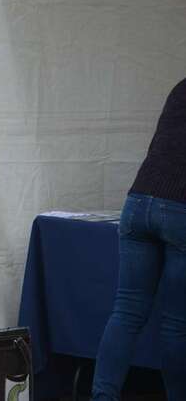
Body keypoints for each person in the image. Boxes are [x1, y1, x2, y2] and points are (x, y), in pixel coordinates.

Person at [92, 78, 186, 400]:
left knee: (126, 313)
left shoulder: (180, 87)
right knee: (176, 325)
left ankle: (102, 396)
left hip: (138, 201)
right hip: (181, 210)